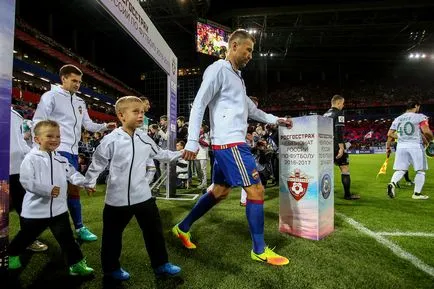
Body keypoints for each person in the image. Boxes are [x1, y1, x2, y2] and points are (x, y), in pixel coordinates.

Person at [172, 29, 292, 266]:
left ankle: (182, 227)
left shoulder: (237, 77)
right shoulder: (218, 69)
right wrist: (193, 140)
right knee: (256, 191)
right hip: (230, 143)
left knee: (219, 191)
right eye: (248, 50)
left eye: (252, 51)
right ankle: (259, 250)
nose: (250, 55)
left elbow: (252, 109)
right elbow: (199, 105)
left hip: (230, 143)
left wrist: (275, 119)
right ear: (234, 46)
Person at [84, 96, 181, 280]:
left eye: (142, 112)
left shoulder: (145, 138)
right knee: (112, 237)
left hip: (143, 196)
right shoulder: (111, 140)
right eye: (136, 112)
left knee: (154, 232)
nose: (141, 116)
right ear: (121, 115)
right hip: (116, 199)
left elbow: (161, 154)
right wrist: (90, 181)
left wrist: (182, 153)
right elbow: (97, 162)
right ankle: (111, 270)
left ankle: (161, 265)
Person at [32, 64, 117, 242]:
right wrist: (40, 147)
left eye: (79, 82)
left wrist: (103, 126)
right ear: (63, 78)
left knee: (73, 191)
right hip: (55, 150)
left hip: (72, 151)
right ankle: (33, 234)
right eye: (74, 81)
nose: (77, 85)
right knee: (52, 192)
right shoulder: (51, 96)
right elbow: (38, 121)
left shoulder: (80, 102)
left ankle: (79, 228)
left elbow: (87, 125)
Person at [8, 120, 94, 276]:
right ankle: (11, 254)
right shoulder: (30, 158)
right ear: (37, 139)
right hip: (35, 211)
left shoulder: (61, 158)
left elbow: (72, 174)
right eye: (49, 136)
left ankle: (76, 264)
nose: (55, 139)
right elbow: (26, 181)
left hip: (59, 210)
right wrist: (47, 190)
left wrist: (85, 183)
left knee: (67, 240)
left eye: (58, 136)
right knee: (26, 236)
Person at [9, 107, 48, 252]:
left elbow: (20, 142)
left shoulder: (15, 114)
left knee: (24, 205)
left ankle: (28, 239)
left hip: (17, 167)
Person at [386, 98, 433, 199]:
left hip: (401, 147)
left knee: (401, 170)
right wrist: (432, 140)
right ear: (416, 106)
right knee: (420, 171)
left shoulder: (398, 118)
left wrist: (403, 137)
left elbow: (389, 134)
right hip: (415, 146)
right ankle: (416, 194)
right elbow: (426, 131)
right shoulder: (420, 117)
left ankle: (392, 183)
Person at [323, 95, 360, 200]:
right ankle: (347, 195)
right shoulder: (339, 113)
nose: (343, 106)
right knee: (344, 169)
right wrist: (341, 148)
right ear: (338, 103)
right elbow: (338, 131)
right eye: (343, 103)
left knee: (324, 170)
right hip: (335, 145)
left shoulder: (325, 114)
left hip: (324, 145)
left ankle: (324, 193)